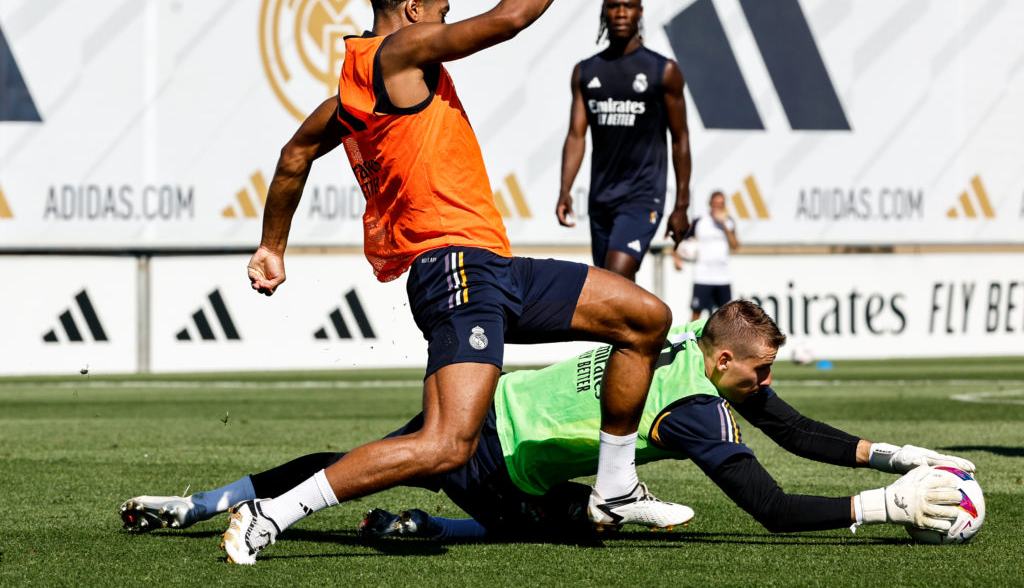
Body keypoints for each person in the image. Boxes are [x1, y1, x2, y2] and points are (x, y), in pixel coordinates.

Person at [232, 0, 692, 565]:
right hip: (455, 267)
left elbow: (294, 155)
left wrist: (272, 247)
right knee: (447, 444)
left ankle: (615, 487)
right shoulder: (400, 51)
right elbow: (508, 20)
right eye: (442, 13)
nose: (443, 27)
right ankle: (270, 514)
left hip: (489, 265)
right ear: (415, 10)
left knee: (645, 318)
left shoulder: (355, 92)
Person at [120, 301, 971, 544]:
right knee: (580, 524)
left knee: (354, 460)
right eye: (760, 369)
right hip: (497, 457)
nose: (769, 381)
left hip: (483, 405)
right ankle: (426, 526)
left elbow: (792, 428)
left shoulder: (673, 343)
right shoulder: (693, 413)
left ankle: (200, 501)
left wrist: (895, 452)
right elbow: (775, 508)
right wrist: (886, 505)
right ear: (723, 365)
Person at [556, 0, 691, 281]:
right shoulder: (586, 72)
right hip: (601, 199)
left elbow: (681, 139)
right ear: (604, 11)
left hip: (642, 197)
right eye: (613, 6)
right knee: (611, 293)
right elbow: (576, 136)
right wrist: (565, 189)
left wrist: (681, 205)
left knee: (614, 280)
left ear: (640, 12)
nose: (620, 12)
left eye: (628, 6)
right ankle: (649, 330)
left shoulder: (663, 71)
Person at [675, 190, 739, 321]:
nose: (718, 207)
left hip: (722, 276)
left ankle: (723, 341)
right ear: (710, 204)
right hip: (703, 275)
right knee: (696, 314)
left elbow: (735, 245)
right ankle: (689, 339)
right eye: (715, 203)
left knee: (727, 316)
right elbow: (681, 240)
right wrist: (677, 258)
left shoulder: (729, 222)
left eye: (721, 204)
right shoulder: (699, 221)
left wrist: (724, 225)